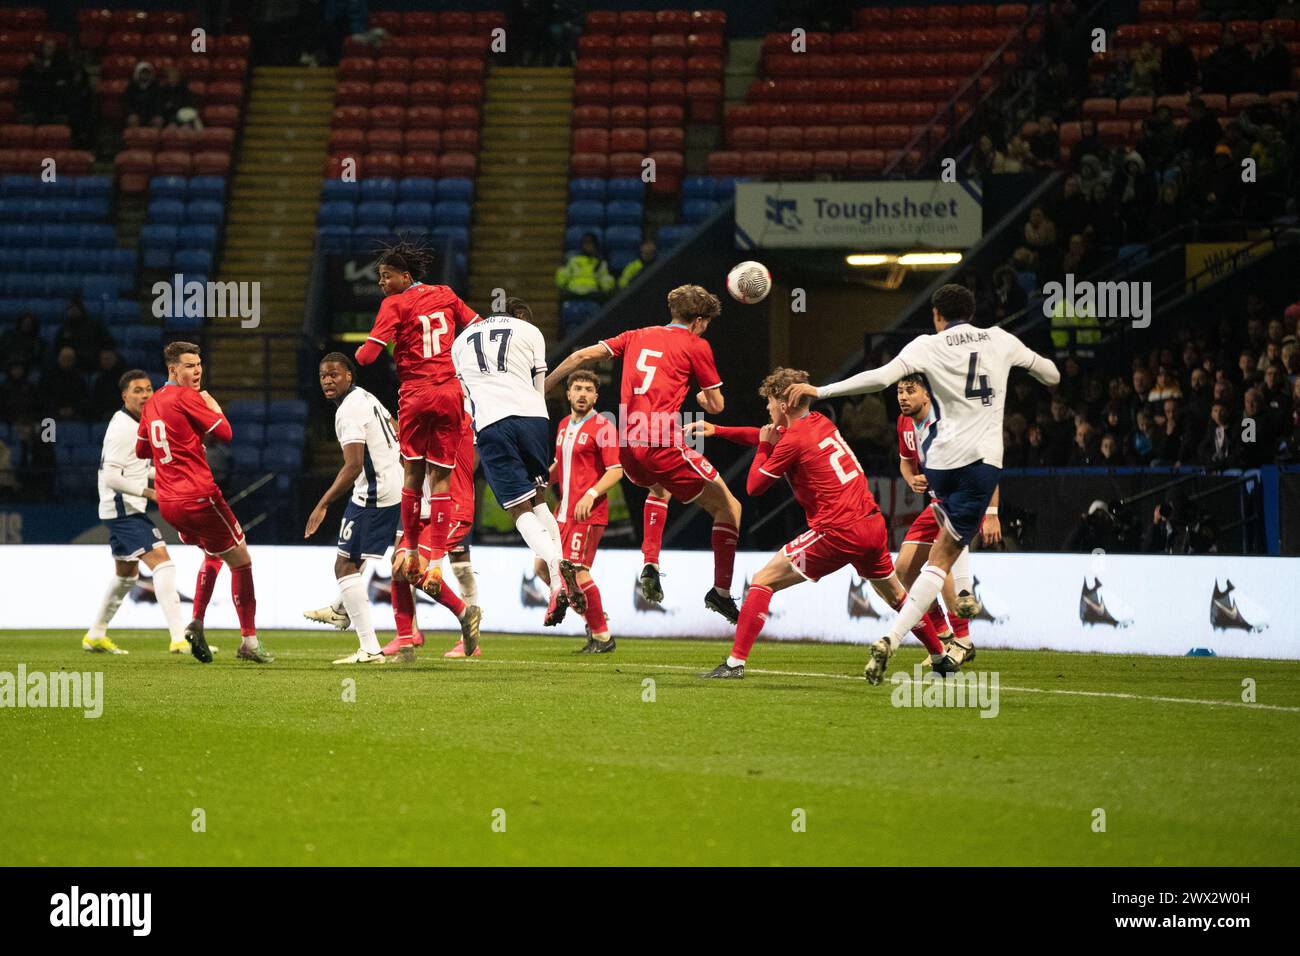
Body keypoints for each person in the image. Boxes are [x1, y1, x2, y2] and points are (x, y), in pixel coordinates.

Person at [786, 284, 1060, 678]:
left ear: (936, 315)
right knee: (942, 557)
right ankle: (916, 627)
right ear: (973, 309)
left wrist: (822, 389)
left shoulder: (926, 346)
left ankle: (950, 624)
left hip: (940, 463)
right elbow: (1050, 374)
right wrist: (1033, 368)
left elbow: (878, 378)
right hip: (981, 462)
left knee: (939, 543)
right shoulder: (999, 339)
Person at [687, 368, 948, 680]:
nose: (767, 410)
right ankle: (940, 656)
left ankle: (734, 664)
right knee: (895, 595)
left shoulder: (792, 440)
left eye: (770, 403)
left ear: (782, 406)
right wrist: (719, 430)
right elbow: (768, 434)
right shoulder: (821, 423)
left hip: (838, 531)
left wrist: (764, 448)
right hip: (871, 524)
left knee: (762, 580)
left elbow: (754, 486)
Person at [546, 284, 743, 623]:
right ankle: (721, 593)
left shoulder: (636, 335)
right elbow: (717, 404)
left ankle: (650, 562)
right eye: (706, 322)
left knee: (659, 488)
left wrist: (544, 387)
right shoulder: (697, 345)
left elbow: (580, 357)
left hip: (629, 447)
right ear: (698, 321)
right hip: (661, 442)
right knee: (730, 508)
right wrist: (701, 401)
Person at [353, 240, 481, 594]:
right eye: (379, 276)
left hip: (416, 393)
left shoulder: (393, 304)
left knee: (412, 475)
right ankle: (437, 562)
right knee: (442, 480)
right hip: (450, 392)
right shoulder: (446, 293)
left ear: (404, 276)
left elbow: (366, 358)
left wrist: (363, 348)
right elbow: (476, 325)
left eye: (386, 276)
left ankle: (410, 549)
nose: (381, 282)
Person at [134, 341, 273, 664]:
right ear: (173, 369)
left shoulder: (153, 402)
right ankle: (249, 641)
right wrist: (212, 406)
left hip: (169, 503)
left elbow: (143, 451)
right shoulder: (188, 397)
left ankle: (196, 622)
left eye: (198, 365)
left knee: (213, 552)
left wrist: (182, 437)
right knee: (241, 560)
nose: (196, 371)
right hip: (198, 495)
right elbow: (225, 433)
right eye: (188, 366)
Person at [450, 297, 587, 623]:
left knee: (518, 509)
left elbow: (466, 396)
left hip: (493, 422)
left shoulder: (460, 343)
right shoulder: (529, 331)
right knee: (539, 499)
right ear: (520, 316)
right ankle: (557, 584)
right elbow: (540, 385)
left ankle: (556, 564)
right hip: (534, 419)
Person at [84, 370, 201, 656]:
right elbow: (110, 476)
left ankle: (95, 635)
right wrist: (151, 493)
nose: (145, 395)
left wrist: (169, 473)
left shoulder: (139, 422)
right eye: (137, 390)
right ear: (124, 396)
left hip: (123, 507)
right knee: (164, 565)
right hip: (123, 510)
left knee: (126, 575)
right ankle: (178, 638)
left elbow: (135, 469)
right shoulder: (122, 427)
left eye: (148, 389)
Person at [891, 373, 1002, 664]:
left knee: (941, 567)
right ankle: (943, 635)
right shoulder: (904, 423)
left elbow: (987, 462)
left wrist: (992, 513)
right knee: (903, 569)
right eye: (900, 391)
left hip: (960, 502)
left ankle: (963, 640)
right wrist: (911, 478)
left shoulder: (950, 420)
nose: (903, 396)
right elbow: (905, 461)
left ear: (927, 394)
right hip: (935, 505)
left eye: (910, 391)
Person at [301, 353, 404, 665]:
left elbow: (353, 464)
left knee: (343, 566)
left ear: (350, 376)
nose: (328, 380)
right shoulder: (366, 398)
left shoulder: (347, 411)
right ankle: (340, 607)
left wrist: (322, 504)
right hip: (393, 483)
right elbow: (396, 427)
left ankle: (369, 648)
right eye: (323, 376)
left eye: (334, 374)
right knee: (354, 559)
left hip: (376, 492)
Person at [538, 369, 623, 653]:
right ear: (568, 394)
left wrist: (591, 493)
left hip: (587, 514)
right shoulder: (563, 425)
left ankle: (602, 636)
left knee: (577, 573)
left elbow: (616, 471)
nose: (583, 393)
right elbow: (560, 468)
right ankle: (594, 618)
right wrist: (540, 483)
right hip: (561, 513)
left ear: (596, 396)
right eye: (578, 388)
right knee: (541, 567)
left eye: (588, 389)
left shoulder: (604, 426)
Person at [386, 414, 482, 660]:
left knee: (418, 568)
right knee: (398, 568)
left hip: (452, 509)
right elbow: (408, 465)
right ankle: (406, 645)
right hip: (425, 511)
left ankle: (464, 612)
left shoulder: (457, 420)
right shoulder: (418, 422)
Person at [554, 232, 615, 300]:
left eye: (590, 243)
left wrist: (605, 285)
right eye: (585, 243)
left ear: (595, 245)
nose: (587, 246)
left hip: (592, 293)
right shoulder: (573, 260)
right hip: (573, 292)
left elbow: (606, 283)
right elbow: (560, 281)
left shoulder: (600, 262)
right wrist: (562, 268)